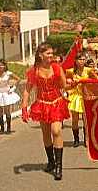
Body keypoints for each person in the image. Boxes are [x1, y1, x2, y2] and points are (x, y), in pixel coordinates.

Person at [21, 43, 69, 180]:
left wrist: (73, 84)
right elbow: (27, 90)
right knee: (46, 133)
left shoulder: (57, 68)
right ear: (40, 55)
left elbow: (64, 86)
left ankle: (59, 167)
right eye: (48, 53)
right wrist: (24, 107)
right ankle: (51, 161)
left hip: (56, 103)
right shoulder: (34, 71)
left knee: (56, 131)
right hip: (42, 104)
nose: (51, 56)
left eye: (51, 53)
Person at [65, 52, 98, 147]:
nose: (82, 61)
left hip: (85, 96)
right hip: (75, 96)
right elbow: (66, 84)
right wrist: (70, 83)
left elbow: (97, 80)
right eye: (80, 59)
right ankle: (76, 139)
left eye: (83, 59)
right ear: (75, 61)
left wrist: (87, 81)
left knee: (85, 119)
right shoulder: (70, 71)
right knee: (75, 119)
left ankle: (86, 139)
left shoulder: (89, 70)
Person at [0, 59, 21, 133]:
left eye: (2, 65)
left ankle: (8, 128)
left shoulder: (8, 73)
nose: (1, 66)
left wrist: (13, 88)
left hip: (6, 93)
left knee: (7, 110)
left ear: (5, 66)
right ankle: (2, 128)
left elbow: (18, 79)